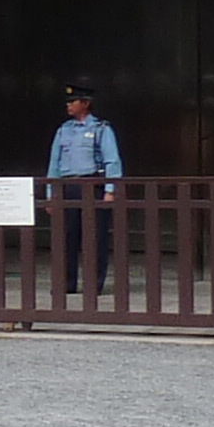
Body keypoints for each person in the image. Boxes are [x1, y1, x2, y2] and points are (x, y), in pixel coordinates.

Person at [47, 87, 124, 295]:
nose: (68, 105)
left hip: (92, 185)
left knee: (94, 237)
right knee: (66, 236)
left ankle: (93, 283)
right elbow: (54, 164)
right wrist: (51, 193)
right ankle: (66, 282)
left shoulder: (101, 128)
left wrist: (110, 190)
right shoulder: (64, 130)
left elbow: (112, 161)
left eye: (73, 101)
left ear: (85, 103)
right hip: (68, 186)